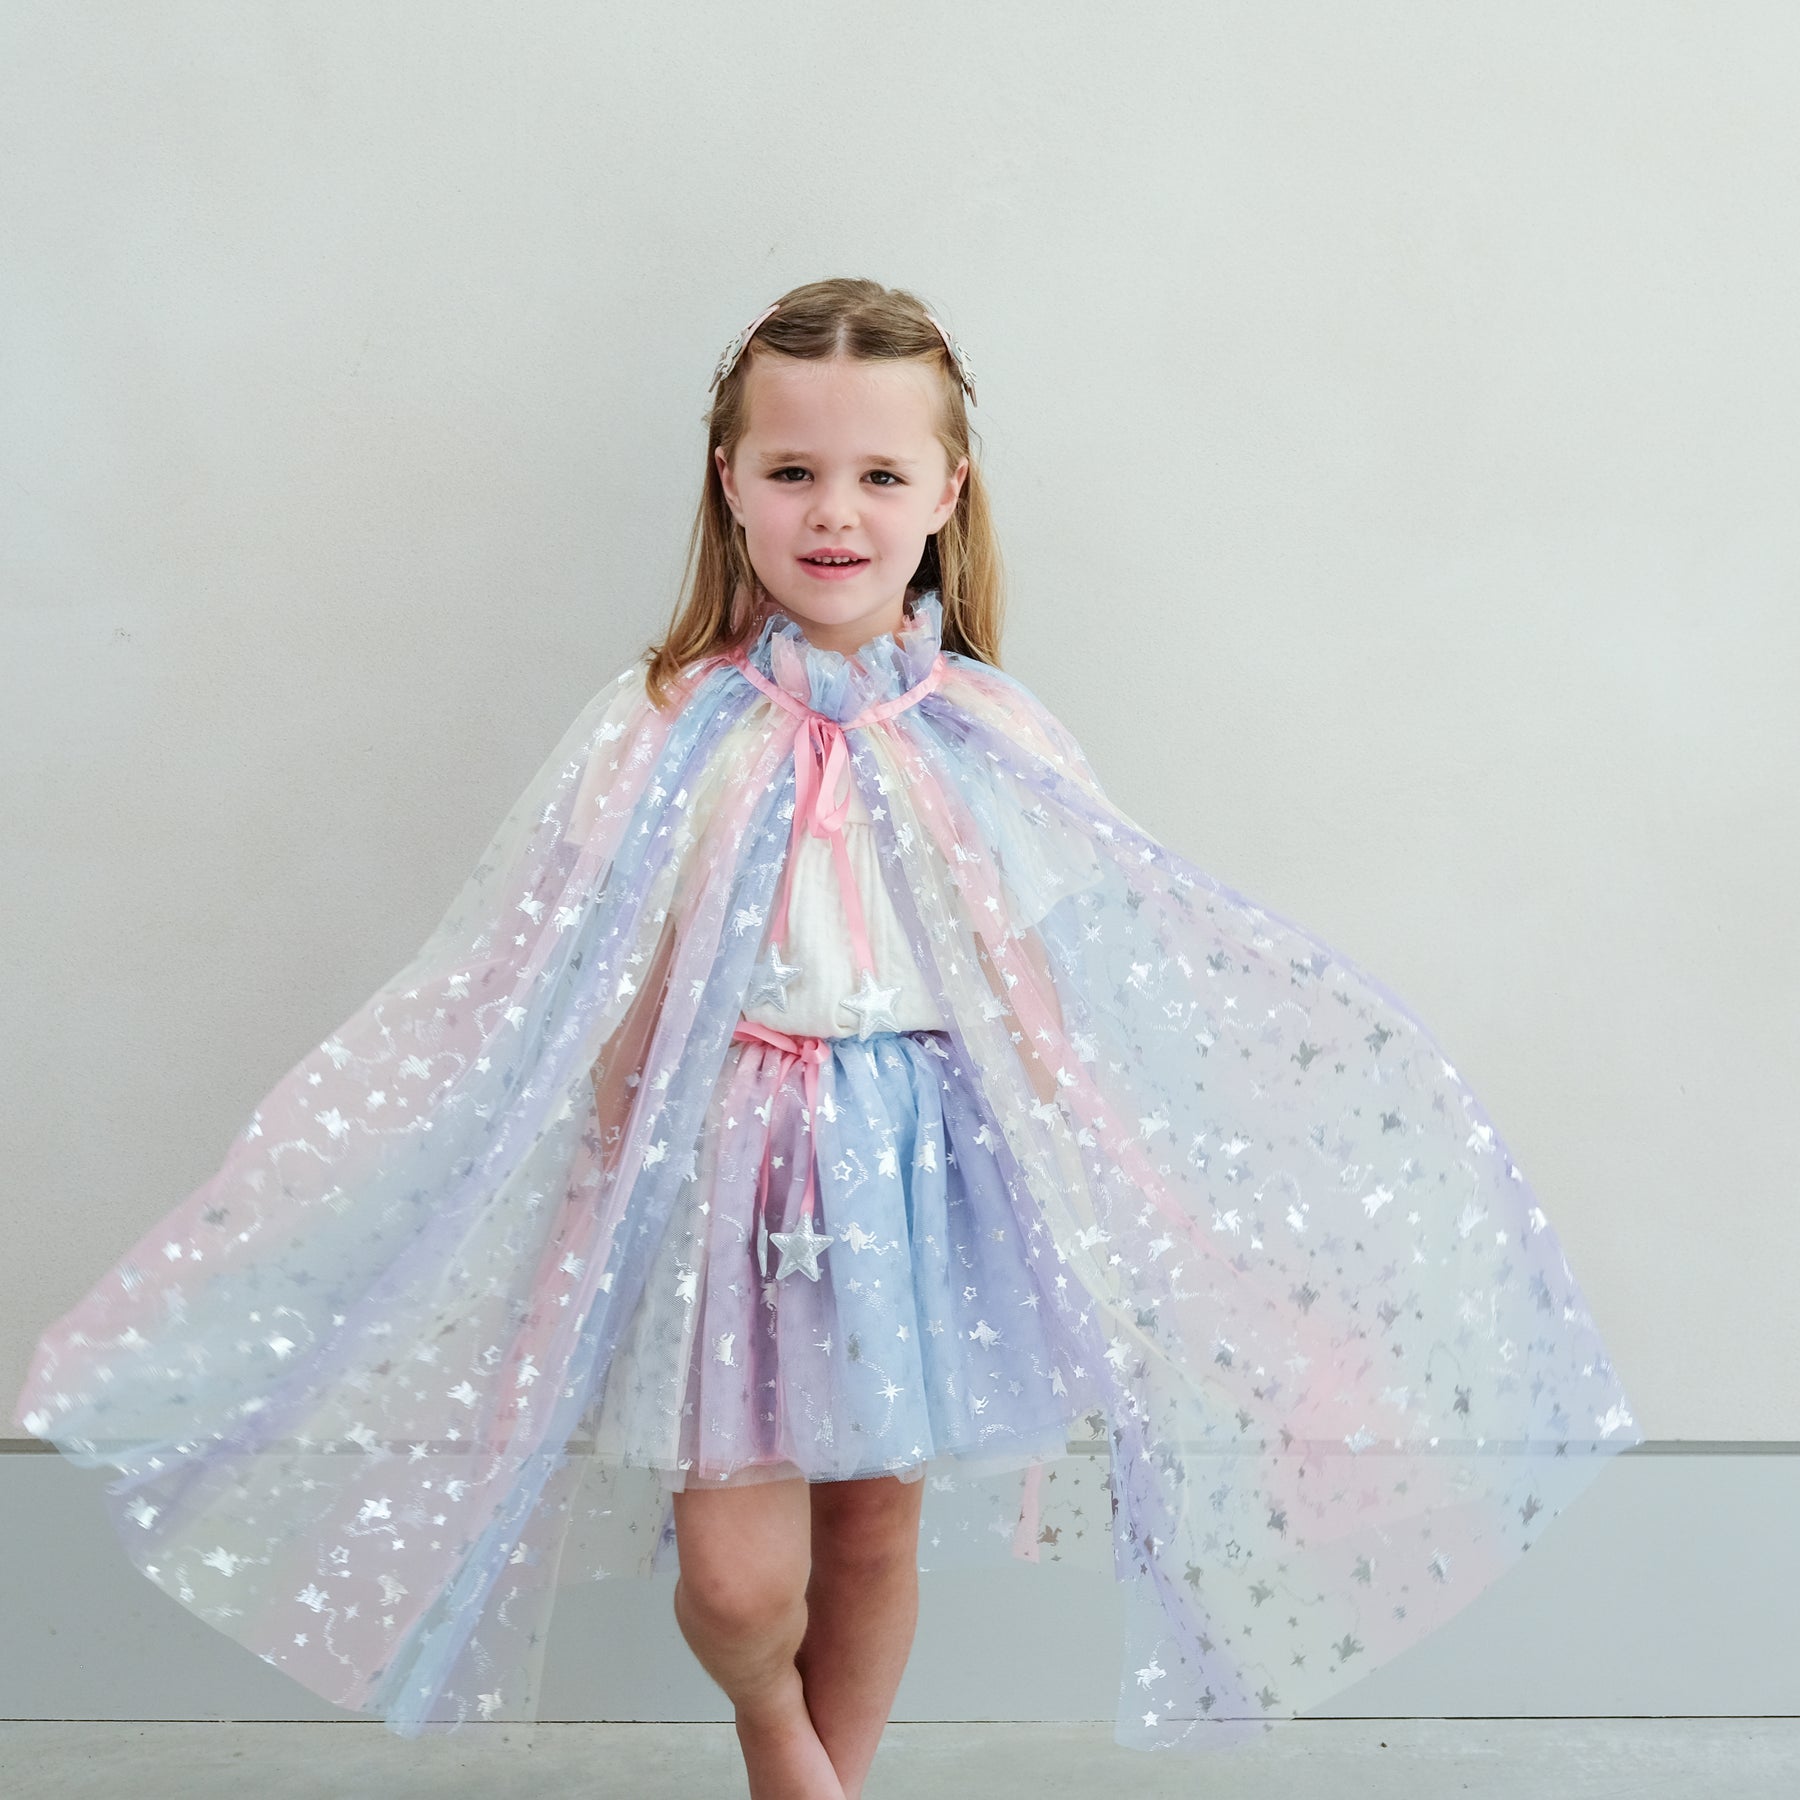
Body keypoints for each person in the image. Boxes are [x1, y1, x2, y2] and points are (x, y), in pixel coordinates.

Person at [15, 277, 1641, 1794]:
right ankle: (788, 1751)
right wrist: (604, 1151)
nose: (835, 513)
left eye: (877, 476)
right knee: (737, 1576)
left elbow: (1045, 970)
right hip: (725, 1163)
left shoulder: (994, 729)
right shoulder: (662, 721)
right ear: (732, 482)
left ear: (945, 495)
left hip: (919, 1165)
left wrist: (1111, 1170)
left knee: (874, 1528)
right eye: (795, 472)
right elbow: (584, 965)